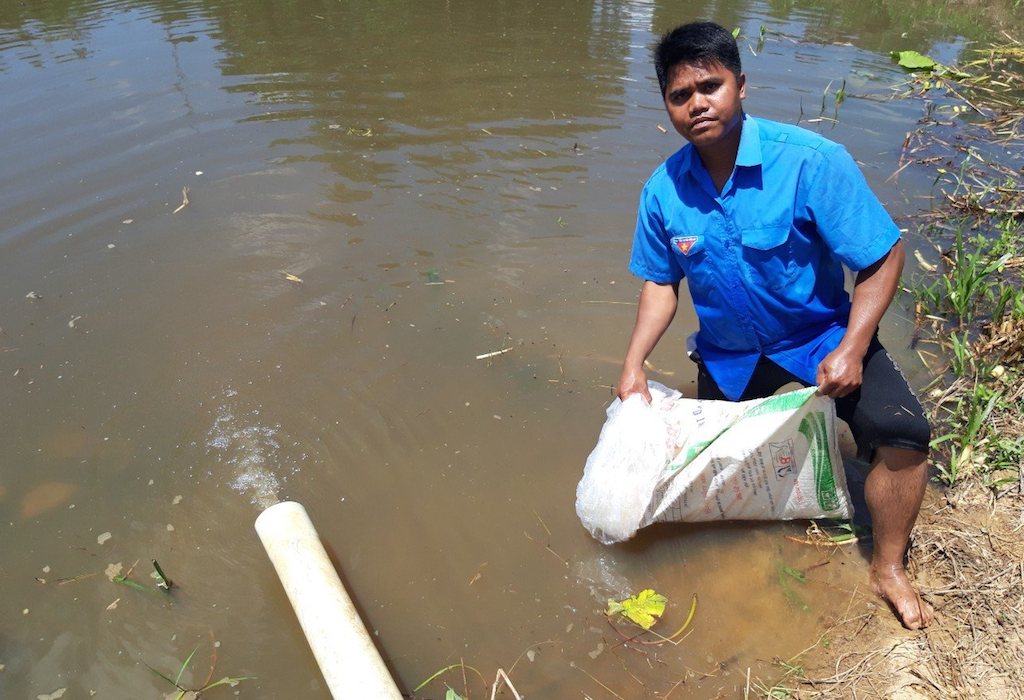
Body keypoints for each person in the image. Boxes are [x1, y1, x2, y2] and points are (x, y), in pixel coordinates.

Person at [616, 21, 934, 629]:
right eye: (680, 96)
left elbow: (881, 255)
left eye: (710, 85)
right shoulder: (662, 191)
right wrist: (633, 365)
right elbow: (661, 283)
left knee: (902, 435)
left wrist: (852, 347)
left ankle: (888, 566)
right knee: (709, 474)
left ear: (741, 84)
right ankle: (738, 563)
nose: (697, 104)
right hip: (731, 353)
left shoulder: (811, 162)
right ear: (667, 106)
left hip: (821, 337)